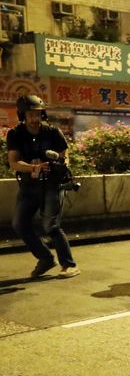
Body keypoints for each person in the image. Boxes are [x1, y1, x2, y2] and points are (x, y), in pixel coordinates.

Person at [6, 95, 79, 278]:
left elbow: (64, 155)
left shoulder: (52, 132)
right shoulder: (15, 134)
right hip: (29, 185)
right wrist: (32, 167)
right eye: (30, 114)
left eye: (37, 114)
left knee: (50, 225)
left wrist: (60, 164)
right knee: (19, 224)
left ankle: (69, 264)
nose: (34, 118)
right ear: (23, 115)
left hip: (51, 184)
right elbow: (13, 162)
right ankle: (45, 259)